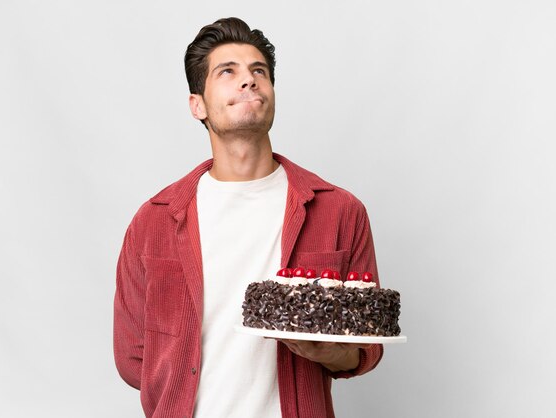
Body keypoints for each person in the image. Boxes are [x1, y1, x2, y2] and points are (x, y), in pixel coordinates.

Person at [114, 17, 383, 418]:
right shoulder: (153, 222)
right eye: (228, 72)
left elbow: (367, 348)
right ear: (197, 105)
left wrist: (329, 351)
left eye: (259, 71)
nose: (249, 80)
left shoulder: (339, 211)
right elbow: (133, 357)